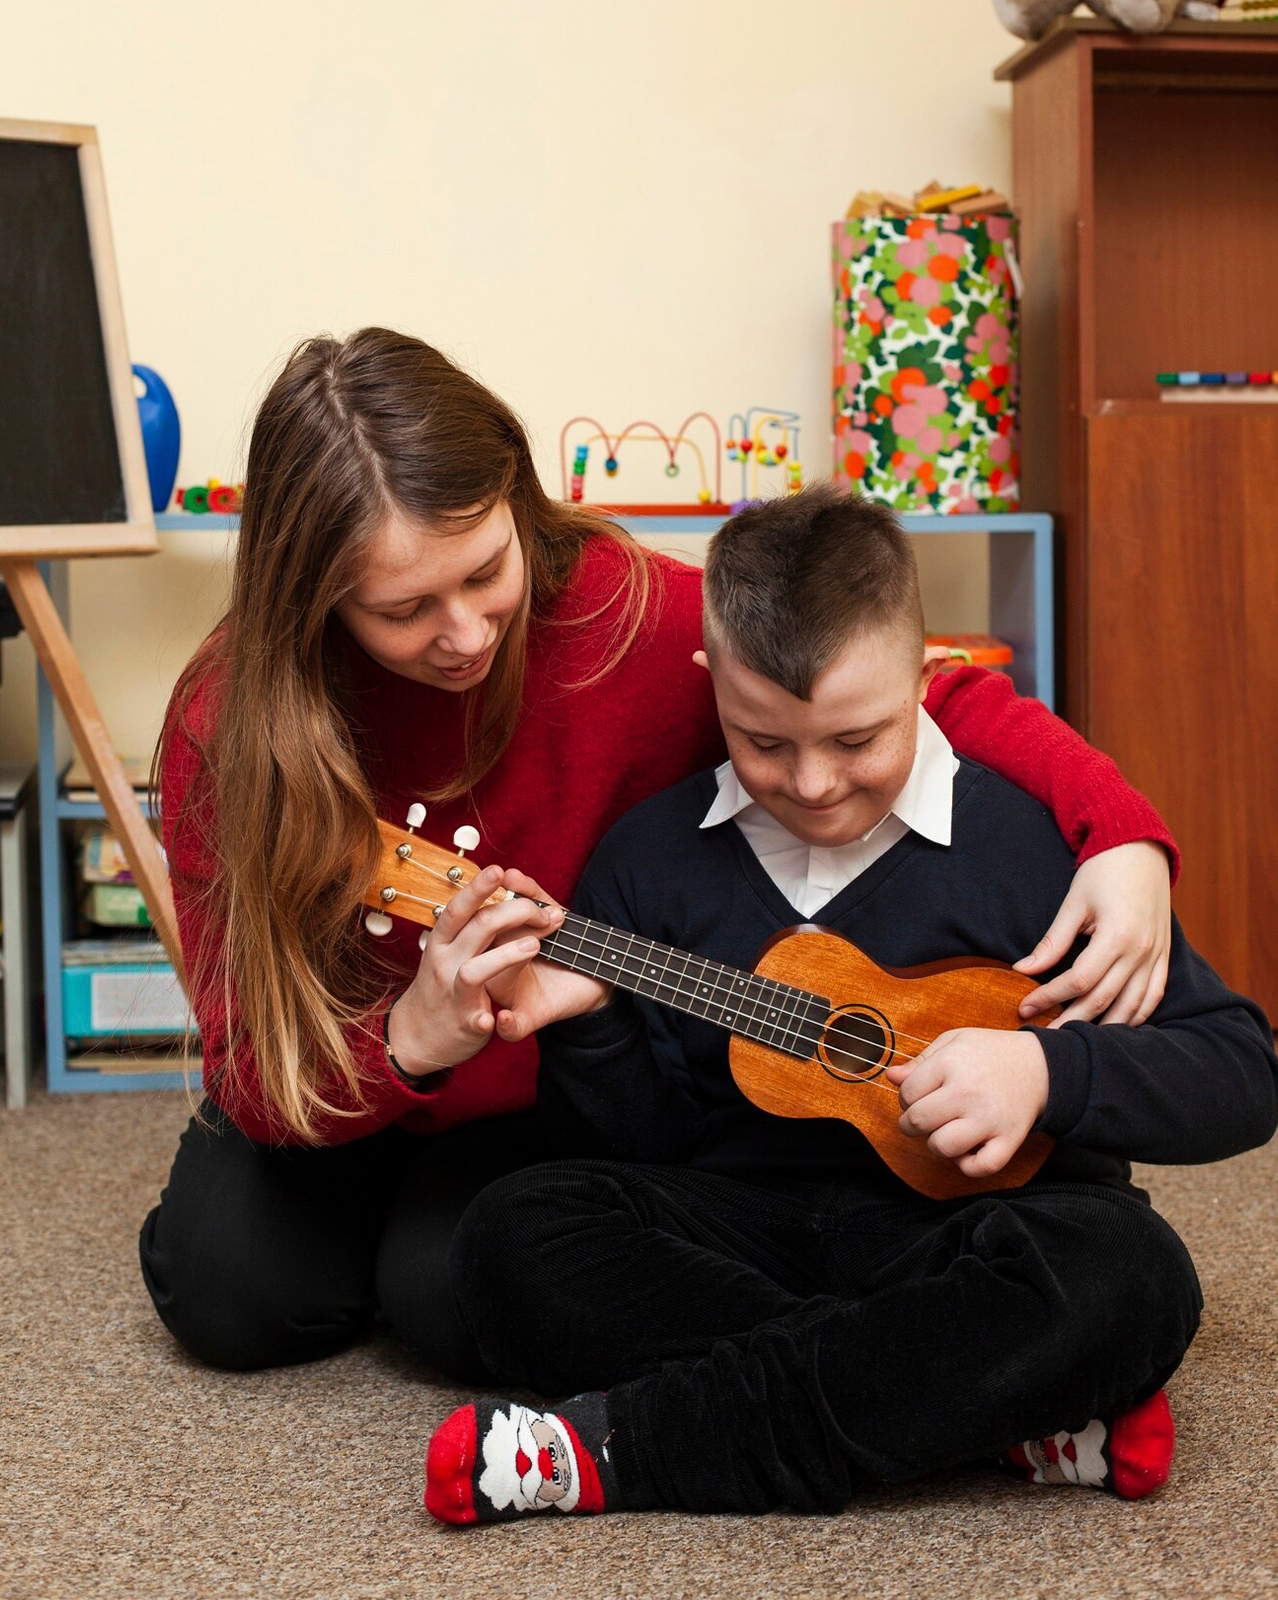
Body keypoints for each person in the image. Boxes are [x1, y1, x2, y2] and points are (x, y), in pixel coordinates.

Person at [141, 328, 1179, 1383]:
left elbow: (919, 687)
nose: (462, 633)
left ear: (518, 496)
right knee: (226, 1297)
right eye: (403, 609)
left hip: (543, 1093)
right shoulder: (228, 723)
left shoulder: (623, 609)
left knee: (456, 1301)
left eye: (483, 572)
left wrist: (1124, 831)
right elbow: (249, 1069)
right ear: (312, 595)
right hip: (341, 1066)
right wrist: (408, 1038)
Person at [422, 483, 1278, 1523]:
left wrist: (1049, 1073)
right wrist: (592, 1024)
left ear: (927, 676)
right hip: (745, 1224)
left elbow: (1240, 1068)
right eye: (765, 742)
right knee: (510, 1235)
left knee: (1133, 1276)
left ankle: (629, 1446)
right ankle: (968, 1403)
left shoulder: (1034, 846)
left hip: (973, 1232)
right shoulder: (651, 859)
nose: (816, 782)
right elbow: (637, 1144)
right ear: (712, 683)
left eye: (856, 738)